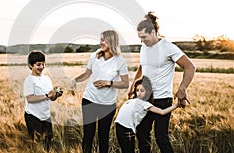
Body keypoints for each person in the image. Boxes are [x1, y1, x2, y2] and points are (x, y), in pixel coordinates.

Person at [128, 12, 196, 153]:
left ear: (153, 32)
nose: (141, 41)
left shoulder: (168, 47)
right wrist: (133, 85)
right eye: (139, 38)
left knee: (161, 137)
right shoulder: (144, 47)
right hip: (145, 98)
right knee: (142, 134)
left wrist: (182, 88)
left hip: (162, 99)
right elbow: (142, 66)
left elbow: (190, 66)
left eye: (144, 37)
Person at [71, 30, 129, 153]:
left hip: (107, 104)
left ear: (112, 41)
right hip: (89, 99)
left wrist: (109, 83)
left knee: (103, 136)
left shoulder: (120, 61)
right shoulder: (94, 56)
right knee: (88, 134)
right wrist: (75, 80)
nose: (100, 42)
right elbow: (87, 74)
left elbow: (125, 83)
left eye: (104, 40)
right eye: (100, 39)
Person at [115, 76, 179, 153]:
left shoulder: (145, 104)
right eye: (137, 90)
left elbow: (162, 112)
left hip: (126, 129)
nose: (139, 93)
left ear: (148, 92)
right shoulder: (134, 100)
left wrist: (176, 105)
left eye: (142, 90)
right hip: (119, 127)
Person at [23, 50, 63, 150]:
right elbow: (30, 98)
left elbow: (51, 98)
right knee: (36, 145)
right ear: (30, 65)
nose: (41, 67)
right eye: (38, 64)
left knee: (48, 144)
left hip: (45, 116)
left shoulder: (47, 79)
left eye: (43, 64)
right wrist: (46, 95)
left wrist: (56, 95)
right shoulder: (29, 80)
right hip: (33, 116)